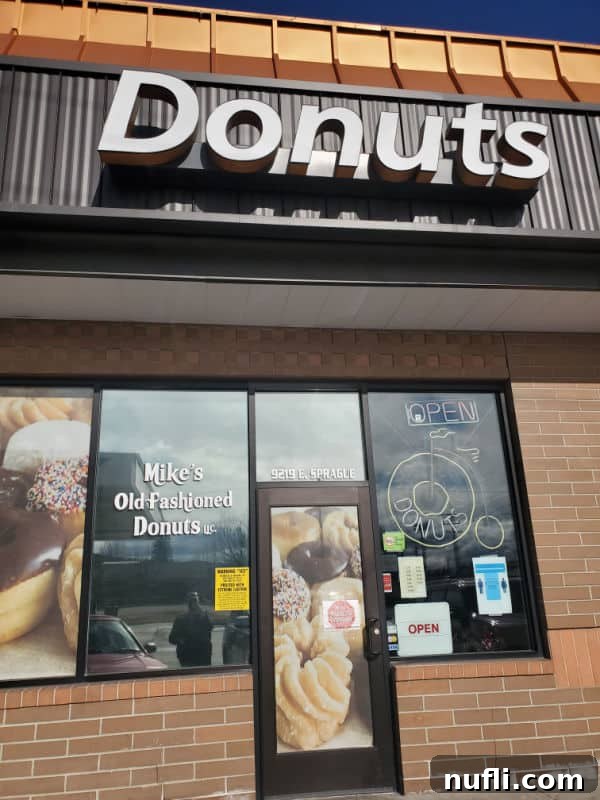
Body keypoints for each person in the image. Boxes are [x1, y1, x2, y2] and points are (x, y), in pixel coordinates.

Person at [168, 592, 213, 667]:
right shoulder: (181, 619)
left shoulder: (204, 617)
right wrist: (182, 641)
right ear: (189, 603)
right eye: (192, 601)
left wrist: (202, 613)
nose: (194, 604)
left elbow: (210, 627)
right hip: (187, 655)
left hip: (202, 655)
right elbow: (172, 638)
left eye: (195, 601)